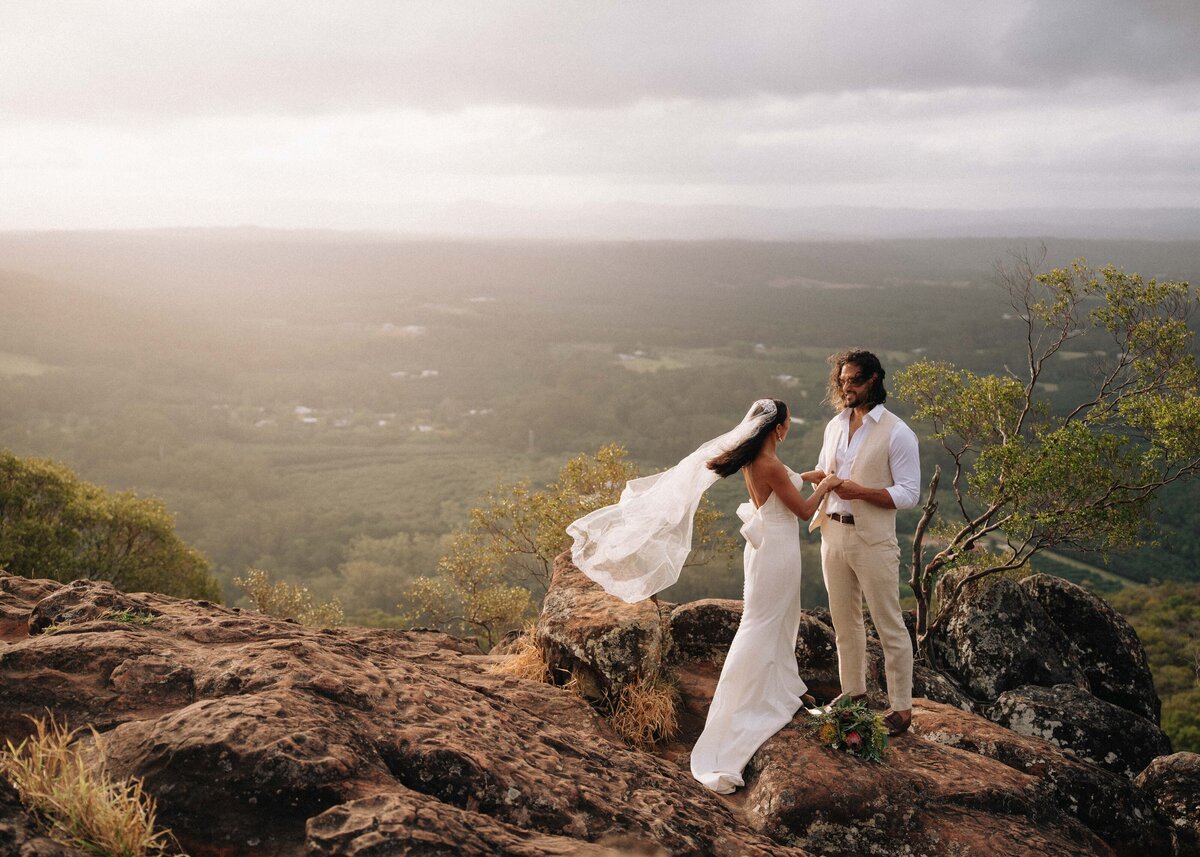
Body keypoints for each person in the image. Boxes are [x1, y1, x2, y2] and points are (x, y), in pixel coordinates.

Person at [567, 399, 841, 795]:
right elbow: (801, 509)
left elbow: (789, 480)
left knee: (777, 618)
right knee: (762, 622)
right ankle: (737, 709)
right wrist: (828, 485)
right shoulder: (768, 465)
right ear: (779, 428)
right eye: (788, 423)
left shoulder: (758, 461)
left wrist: (813, 474)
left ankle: (777, 686)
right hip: (778, 551)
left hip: (770, 550)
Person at [802, 350, 920, 737]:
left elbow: (908, 494)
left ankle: (902, 708)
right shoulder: (835, 426)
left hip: (873, 540)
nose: (846, 387)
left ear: (873, 380)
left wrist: (861, 492)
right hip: (832, 534)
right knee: (844, 623)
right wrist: (790, 476)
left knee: (888, 625)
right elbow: (827, 474)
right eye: (842, 381)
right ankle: (853, 693)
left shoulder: (898, 432)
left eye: (853, 380)